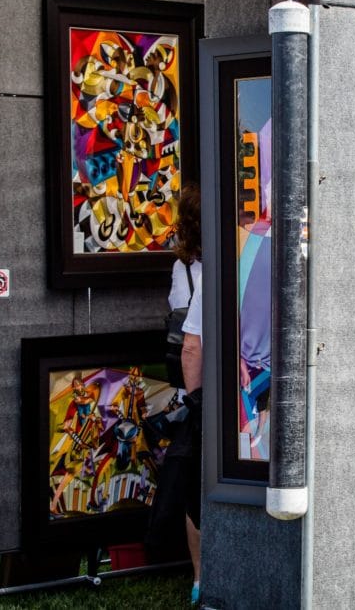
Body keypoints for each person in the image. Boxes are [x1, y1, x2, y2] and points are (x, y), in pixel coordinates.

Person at [168, 183, 203, 606]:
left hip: (190, 383)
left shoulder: (184, 269)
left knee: (193, 480)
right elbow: (191, 340)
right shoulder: (231, 260)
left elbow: (180, 323)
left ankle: (199, 576)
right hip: (210, 380)